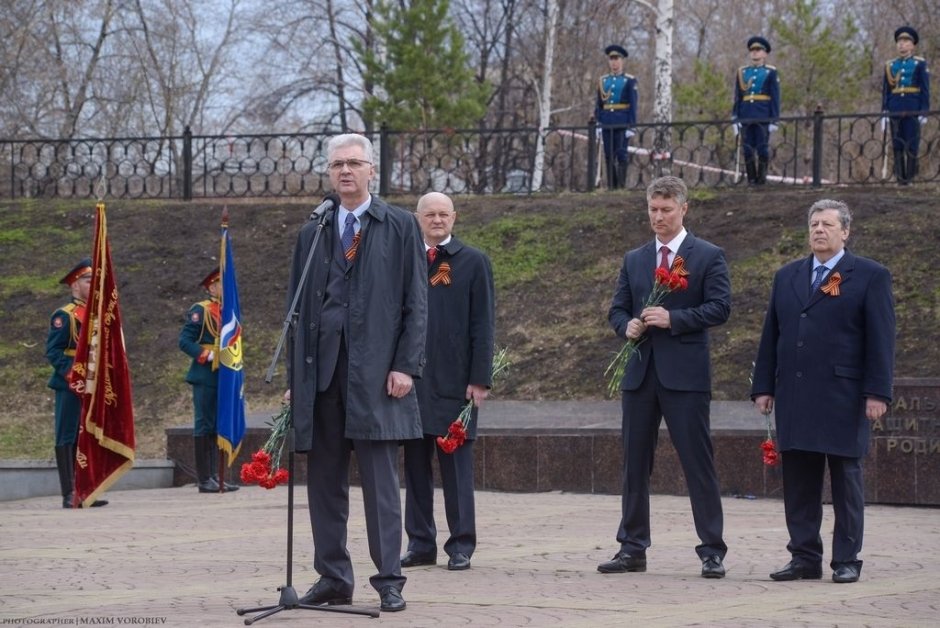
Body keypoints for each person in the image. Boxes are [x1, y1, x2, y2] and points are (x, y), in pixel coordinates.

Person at [286, 133, 427, 613]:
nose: (345, 172)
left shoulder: (400, 225)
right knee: (324, 483)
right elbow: (298, 309)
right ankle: (332, 576)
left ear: (372, 171)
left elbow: (416, 303)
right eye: (337, 165)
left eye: (354, 163)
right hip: (322, 377)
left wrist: (406, 365)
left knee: (381, 485)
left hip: (376, 376)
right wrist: (296, 379)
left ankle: (389, 578)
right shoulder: (315, 228)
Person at [751, 199, 895, 584]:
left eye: (827, 224)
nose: (819, 230)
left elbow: (882, 339)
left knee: (846, 480)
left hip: (843, 396)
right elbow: (772, 335)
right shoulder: (788, 276)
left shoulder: (869, 275)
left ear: (845, 231)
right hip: (795, 394)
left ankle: (846, 559)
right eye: (814, 224)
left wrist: (877, 392)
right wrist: (763, 386)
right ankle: (804, 557)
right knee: (799, 480)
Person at [599, 176, 730, 579]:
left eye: (666, 210)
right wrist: (627, 327)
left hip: (685, 378)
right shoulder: (635, 258)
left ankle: (712, 550)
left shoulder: (707, 255)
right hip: (639, 376)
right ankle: (632, 547)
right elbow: (617, 309)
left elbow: (720, 307)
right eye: (653, 209)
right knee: (634, 465)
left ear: (683, 209)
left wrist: (674, 319)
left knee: (697, 464)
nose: (658, 217)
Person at [401, 192, 495, 572]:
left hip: (456, 384)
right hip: (410, 382)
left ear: (454, 218)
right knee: (415, 467)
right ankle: (421, 543)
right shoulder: (404, 261)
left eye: (443, 214)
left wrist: (480, 379)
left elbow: (483, 324)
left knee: (456, 469)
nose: (437, 220)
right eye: (430, 214)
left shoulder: (472, 262)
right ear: (417, 218)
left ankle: (461, 544)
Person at [45, 259, 107, 508]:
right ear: (74, 285)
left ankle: (86, 490)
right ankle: (69, 492)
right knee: (68, 435)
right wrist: (73, 375)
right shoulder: (65, 316)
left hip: (93, 383)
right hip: (71, 384)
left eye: (93, 280)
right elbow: (54, 351)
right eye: (87, 280)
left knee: (88, 437)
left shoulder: (96, 315)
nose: (92, 284)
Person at [178, 268, 238, 494]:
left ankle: (215, 476)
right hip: (205, 375)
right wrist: (206, 354)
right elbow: (184, 341)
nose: (225, 287)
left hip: (224, 374)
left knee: (216, 425)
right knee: (204, 424)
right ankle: (204, 479)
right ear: (211, 287)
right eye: (221, 284)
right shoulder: (200, 310)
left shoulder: (229, 311)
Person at [882, 26, 930, 185]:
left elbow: (924, 88)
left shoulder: (919, 64)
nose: (901, 44)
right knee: (897, 143)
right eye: (899, 41)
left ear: (912, 45)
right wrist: (884, 110)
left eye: (905, 41)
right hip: (895, 107)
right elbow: (886, 91)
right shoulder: (890, 65)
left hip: (912, 107)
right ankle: (900, 179)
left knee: (911, 142)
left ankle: (909, 179)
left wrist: (924, 110)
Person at [732, 36, 780, 185]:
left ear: (765, 54)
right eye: (752, 50)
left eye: (758, 50)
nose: (755, 53)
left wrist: (774, 119)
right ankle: (751, 179)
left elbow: (775, 96)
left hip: (762, 115)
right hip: (746, 114)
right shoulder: (742, 72)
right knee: (747, 149)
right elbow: (738, 96)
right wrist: (735, 116)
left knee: (762, 148)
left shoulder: (770, 72)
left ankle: (761, 179)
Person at [595, 44, 638, 189]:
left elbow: (633, 104)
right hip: (607, 121)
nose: (614, 62)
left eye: (617, 59)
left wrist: (631, 125)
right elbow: (599, 104)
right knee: (608, 155)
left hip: (622, 121)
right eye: (611, 59)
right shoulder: (603, 81)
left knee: (621, 154)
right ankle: (612, 187)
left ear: (622, 61)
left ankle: (621, 185)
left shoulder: (629, 80)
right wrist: (598, 122)